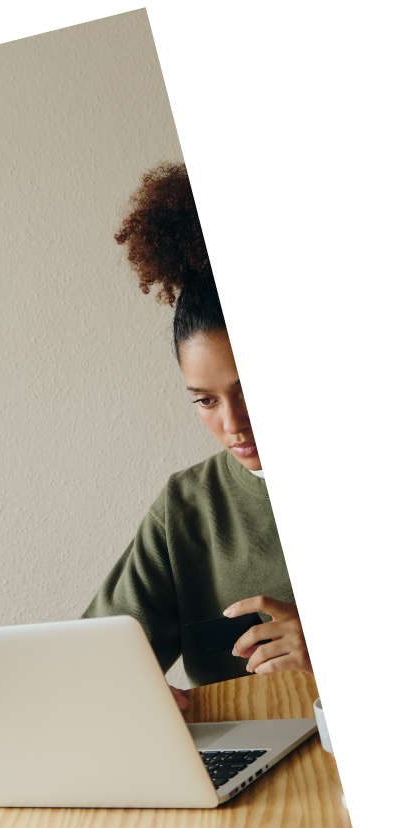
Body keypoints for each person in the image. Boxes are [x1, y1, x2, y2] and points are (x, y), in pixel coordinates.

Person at [81, 163, 328, 710]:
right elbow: (90, 660)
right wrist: (128, 696)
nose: (234, 424)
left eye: (251, 392)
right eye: (205, 401)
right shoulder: (186, 509)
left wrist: (327, 663)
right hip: (245, 778)